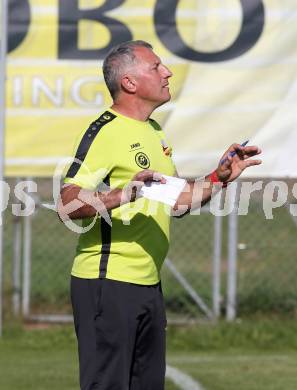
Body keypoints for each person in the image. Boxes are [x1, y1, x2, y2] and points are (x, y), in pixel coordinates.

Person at [58, 40, 261, 390]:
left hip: (147, 285)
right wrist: (123, 194)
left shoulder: (154, 131)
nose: (166, 72)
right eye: (156, 67)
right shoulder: (105, 131)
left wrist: (219, 177)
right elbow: (69, 204)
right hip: (106, 285)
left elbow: (177, 200)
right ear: (130, 83)